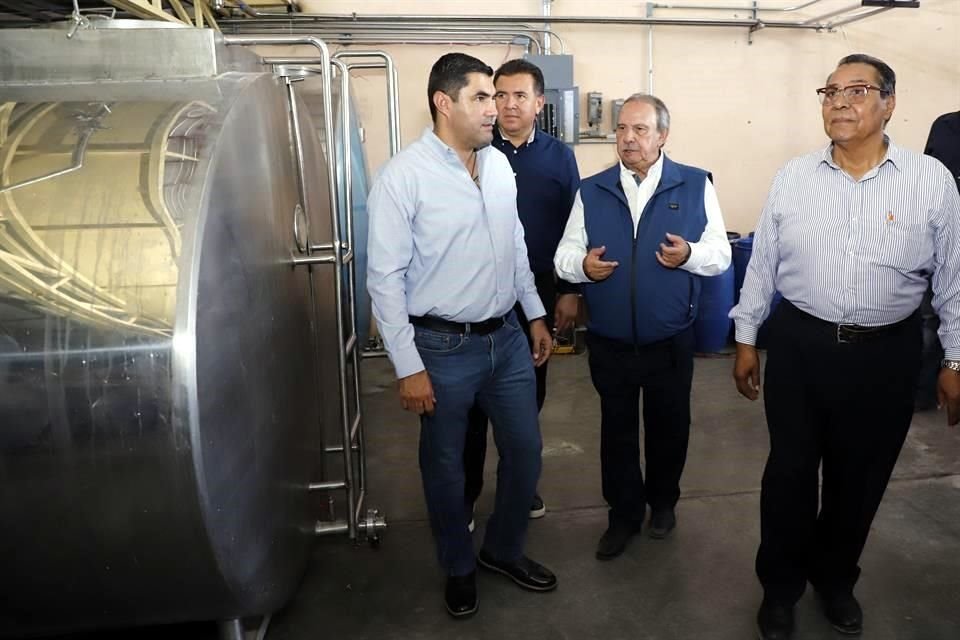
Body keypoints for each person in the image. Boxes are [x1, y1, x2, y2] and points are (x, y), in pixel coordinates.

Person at [730, 54, 960, 640]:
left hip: (887, 353)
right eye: (830, 91)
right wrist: (746, 335)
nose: (839, 101)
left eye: (858, 90)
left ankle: (835, 580)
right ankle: (779, 589)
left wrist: (955, 358)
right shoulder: (794, 177)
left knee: (860, 480)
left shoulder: (931, 180)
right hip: (803, 347)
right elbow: (763, 264)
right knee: (789, 476)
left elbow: (953, 278)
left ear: (890, 103)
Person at [366, 52, 558, 620]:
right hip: (442, 349)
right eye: (481, 97)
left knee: (525, 452)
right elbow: (384, 279)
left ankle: (501, 549)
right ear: (443, 103)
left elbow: (515, 247)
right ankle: (458, 566)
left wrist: (536, 314)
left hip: (508, 339)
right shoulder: (403, 177)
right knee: (446, 467)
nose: (496, 109)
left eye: (497, 97)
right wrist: (407, 366)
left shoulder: (498, 165)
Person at [554, 93, 731, 560]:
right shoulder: (591, 191)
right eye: (622, 130)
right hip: (611, 341)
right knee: (617, 432)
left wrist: (690, 254)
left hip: (670, 339)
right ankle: (623, 516)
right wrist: (582, 268)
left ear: (662, 136)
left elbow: (722, 254)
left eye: (640, 130)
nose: (628, 138)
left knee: (669, 426)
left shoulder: (694, 185)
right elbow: (564, 255)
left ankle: (664, 503)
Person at [463, 58, 581, 528]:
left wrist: (569, 291)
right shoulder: (475, 150)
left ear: (539, 103)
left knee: (526, 403)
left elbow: (576, 228)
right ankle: (467, 495)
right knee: (471, 406)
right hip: (477, 298)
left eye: (518, 96)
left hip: (537, 299)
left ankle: (518, 488)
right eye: (499, 95)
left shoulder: (558, 157)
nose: (507, 105)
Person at [915, 110, 960, 409]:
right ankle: (921, 393)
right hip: (941, 239)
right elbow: (928, 184)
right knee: (930, 318)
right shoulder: (945, 126)